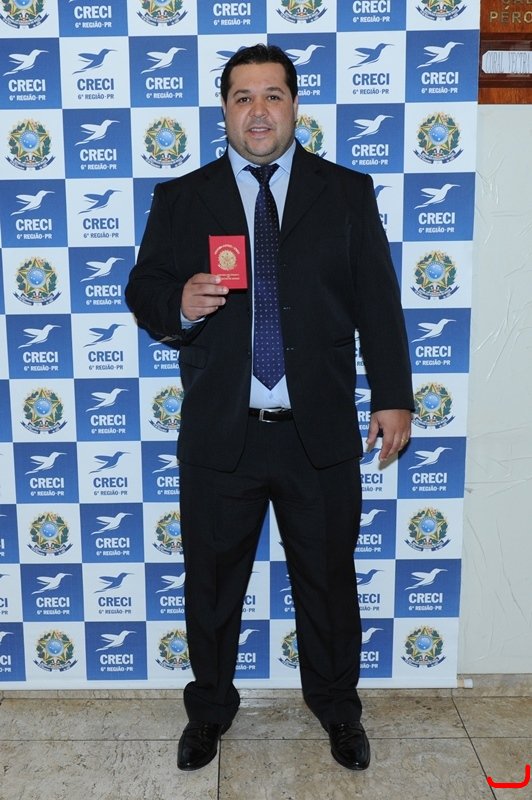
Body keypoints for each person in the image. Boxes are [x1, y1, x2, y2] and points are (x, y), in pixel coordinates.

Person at [126, 44, 413, 772]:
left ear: (295, 105)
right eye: (243, 97)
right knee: (211, 588)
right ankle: (209, 711)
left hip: (318, 434)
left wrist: (393, 397)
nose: (258, 111)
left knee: (329, 583)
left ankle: (338, 709)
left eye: (273, 95)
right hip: (222, 435)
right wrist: (177, 302)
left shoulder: (346, 192)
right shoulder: (181, 197)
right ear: (224, 109)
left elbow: (378, 303)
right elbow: (143, 287)